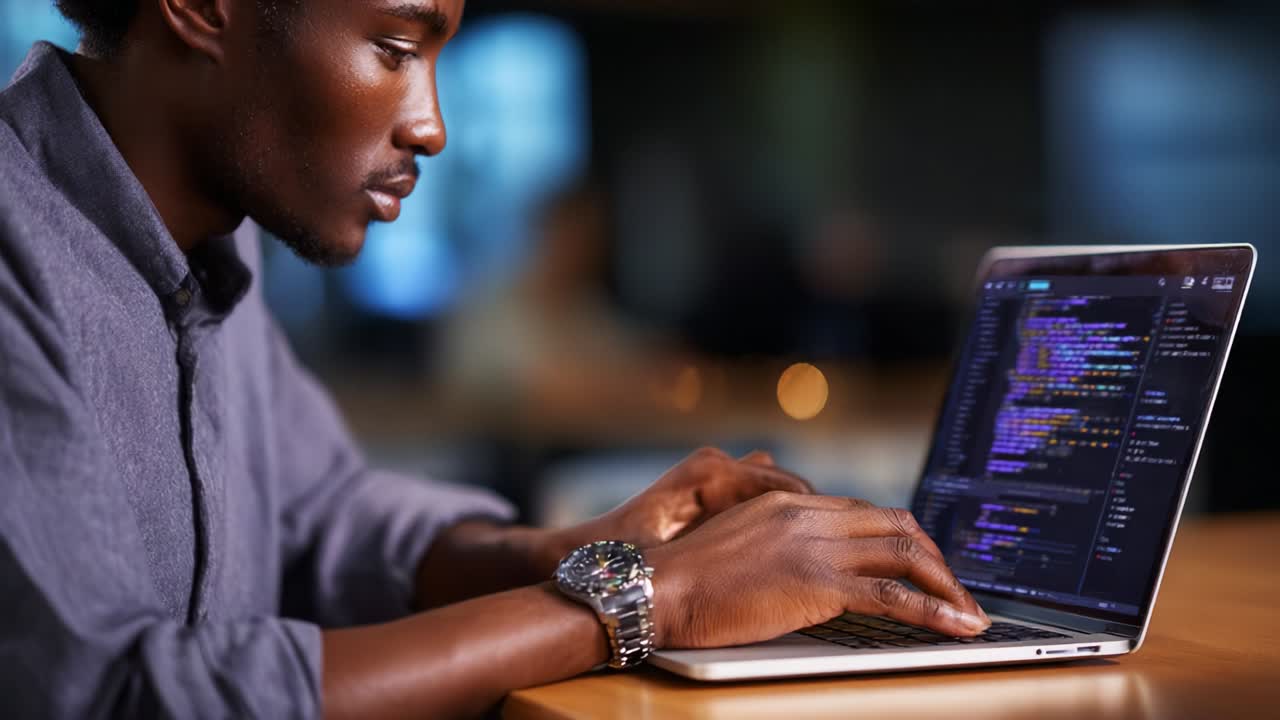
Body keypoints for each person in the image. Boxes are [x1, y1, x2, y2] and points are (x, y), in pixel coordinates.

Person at [0, 1, 990, 717]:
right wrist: (649, 599)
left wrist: (584, 554)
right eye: (392, 46)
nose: (430, 123)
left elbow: (323, 522)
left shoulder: (216, 235)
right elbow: (117, 695)